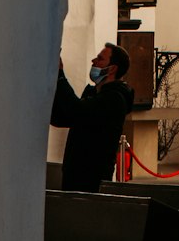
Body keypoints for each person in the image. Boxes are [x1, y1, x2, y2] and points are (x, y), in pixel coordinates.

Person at [51, 43, 135, 191]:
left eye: (100, 59)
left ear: (112, 68)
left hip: (91, 176)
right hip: (74, 173)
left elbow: (77, 110)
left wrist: (60, 77)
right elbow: (66, 117)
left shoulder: (114, 98)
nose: (93, 61)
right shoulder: (93, 93)